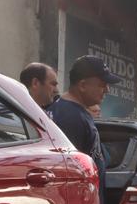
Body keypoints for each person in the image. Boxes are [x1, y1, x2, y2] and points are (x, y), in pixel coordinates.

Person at [48, 55, 118, 189]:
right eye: (102, 85)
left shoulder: (67, 110)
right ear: (83, 85)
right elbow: (70, 172)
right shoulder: (71, 118)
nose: (107, 90)